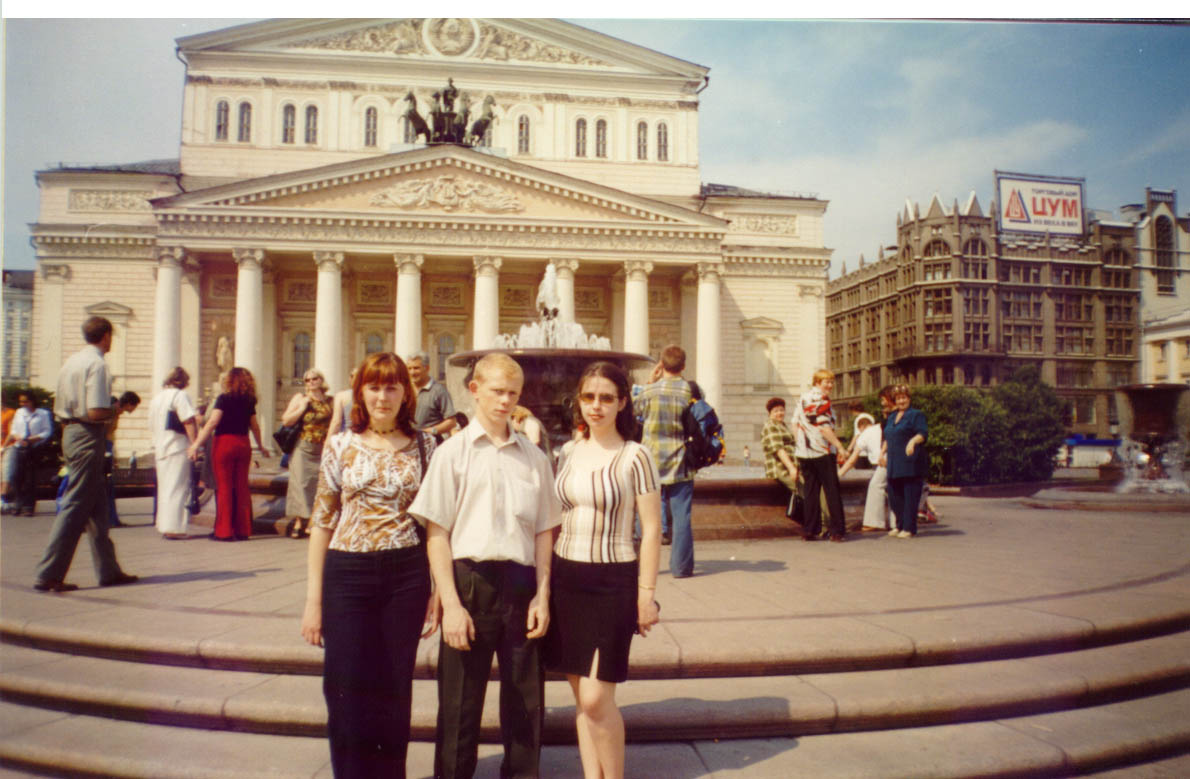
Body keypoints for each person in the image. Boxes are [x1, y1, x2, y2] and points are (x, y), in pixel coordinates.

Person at [408, 352, 560, 779]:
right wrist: (451, 604)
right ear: (474, 390)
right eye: (497, 391)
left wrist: (543, 595)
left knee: (526, 701)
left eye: (513, 393)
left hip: (522, 584)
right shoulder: (452, 453)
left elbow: (544, 532)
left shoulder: (534, 458)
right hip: (470, 582)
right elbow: (437, 533)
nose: (505, 401)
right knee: (459, 702)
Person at [300, 353, 440, 778]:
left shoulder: (426, 445)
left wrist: (437, 589)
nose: (383, 396)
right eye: (374, 387)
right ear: (360, 392)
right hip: (348, 574)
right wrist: (313, 602)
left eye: (392, 387)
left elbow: (435, 523)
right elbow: (323, 522)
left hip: (406, 574)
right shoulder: (340, 445)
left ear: (405, 393)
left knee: (394, 689)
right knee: (344, 686)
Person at [545, 361, 661, 779]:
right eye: (589, 397)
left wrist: (646, 595)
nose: (596, 406)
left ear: (622, 402)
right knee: (582, 696)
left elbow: (652, 529)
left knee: (596, 698)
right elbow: (554, 518)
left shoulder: (635, 456)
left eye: (606, 398)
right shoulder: (568, 452)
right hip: (566, 577)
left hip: (613, 581)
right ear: (579, 401)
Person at [32, 316, 138, 592]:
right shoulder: (98, 365)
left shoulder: (72, 361)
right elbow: (95, 411)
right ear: (106, 336)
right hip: (88, 435)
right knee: (76, 503)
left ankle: (109, 571)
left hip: (70, 432)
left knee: (98, 505)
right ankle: (48, 573)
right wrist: (115, 409)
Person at [633, 344, 694, 575]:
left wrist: (650, 380)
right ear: (683, 366)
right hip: (680, 461)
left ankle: (644, 564)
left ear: (661, 364)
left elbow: (633, 409)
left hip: (651, 462)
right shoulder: (688, 391)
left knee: (646, 516)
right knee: (682, 518)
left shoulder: (650, 391)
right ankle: (681, 567)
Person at [188, 367, 267, 541]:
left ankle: (223, 531)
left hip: (224, 444)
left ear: (229, 381)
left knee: (224, 487)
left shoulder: (223, 399)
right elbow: (254, 426)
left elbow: (212, 422)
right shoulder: (249, 400)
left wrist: (196, 444)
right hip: (243, 444)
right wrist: (261, 446)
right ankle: (243, 530)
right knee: (241, 487)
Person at [792, 369, 847, 542]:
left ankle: (810, 529)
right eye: (826, 382)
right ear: (817, 382)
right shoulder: (822, 401)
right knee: (832, 491)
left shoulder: (803, 398)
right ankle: (837, 531)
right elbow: (824, 428)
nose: (830, 385)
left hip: (804, 453)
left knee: (811, 491)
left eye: (831, 382)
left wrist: (800, 444)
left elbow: (794, 424)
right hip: (822, 451)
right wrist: (840, 447)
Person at [282, 369, 333, 539]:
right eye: (307, 380)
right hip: (302, 447)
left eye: (314, 379)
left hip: (322, 448)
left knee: (318, 485)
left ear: (321, 380)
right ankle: (299, 521)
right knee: (300, 485)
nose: (311, 382)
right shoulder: (300, 398)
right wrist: (302, 408)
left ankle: (312, 521)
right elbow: (286, 420)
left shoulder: (330, 401)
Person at [149, 368, 199, 539]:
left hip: (161, 448)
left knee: (165, 489)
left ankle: (164, 525)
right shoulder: (180, 396)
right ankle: (174, 528)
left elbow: (152, 425)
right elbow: (188, 421)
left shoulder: (156, 399)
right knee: (177, 488)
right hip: (177, 447)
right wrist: (195, 444)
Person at [880, 384, 929, 539]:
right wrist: (882, 453)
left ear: (909, 398)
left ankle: (909, 528)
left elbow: (922, 433)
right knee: (894, 496)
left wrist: (912, 442)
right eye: (898, 398)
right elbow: (888, 436)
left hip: (910, 462)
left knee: (910, 496)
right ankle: (900, 524)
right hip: (894, 462)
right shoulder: (892, 417)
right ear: (895, 400)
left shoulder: (916, 415)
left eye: (904, 398)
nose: (901, 401)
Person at [3, 392, 55, 516]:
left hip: (34, 448)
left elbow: (47, 431)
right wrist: (18, 437)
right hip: (19, 447)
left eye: (25, 401)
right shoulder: (19, 412)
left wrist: (33, 439)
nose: (23, 404)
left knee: (30, 478)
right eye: (21, 402)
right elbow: (13, 430)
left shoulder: (42, 414)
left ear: (32, 401)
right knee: (16, 476)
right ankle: (17, 502)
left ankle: (28, 506)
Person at [837, 412, 890, 532]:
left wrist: (839, 474)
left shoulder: (864, 434)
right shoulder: (880, 428)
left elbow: (852, 460)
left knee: (875, 487)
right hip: (891, 459)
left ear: (861, 427)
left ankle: (875, 522)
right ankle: (895, 522)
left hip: (881, 463)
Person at [104, 391, 141, 527]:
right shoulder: (112, 411)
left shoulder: (116, 412)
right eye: (134, 406)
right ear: (129, 404)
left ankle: (112, 519)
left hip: (108, 446)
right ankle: (109, 520)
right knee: (107, 486)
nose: (134, 409)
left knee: (109, 486)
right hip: (104, 448)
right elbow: (104, 432)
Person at [407, 351, 457, 442]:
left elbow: (451, 422)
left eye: (416, 368)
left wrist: (431, 431)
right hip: (408, 442)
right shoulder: (405, 390)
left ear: (427, 368)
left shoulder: (439, 391)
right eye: (409, 368)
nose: (412, 372)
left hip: (432, 443)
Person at [761, 397, 798, 497]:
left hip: (788, 467)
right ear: (769, 413)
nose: (779, 413)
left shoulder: (782, 426)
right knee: (807, 491)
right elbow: (778, 450)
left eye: (781, 410)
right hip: (780, 469)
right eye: (776, 411)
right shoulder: (770, 426)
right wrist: (791, 468)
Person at [326, 368, 358, 436]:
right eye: (352, 376)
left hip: (347, 436)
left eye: (357, 376)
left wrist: (328, 440)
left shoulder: (342, 396)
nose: (354, 378)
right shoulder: (371, 396)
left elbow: (336, 422)